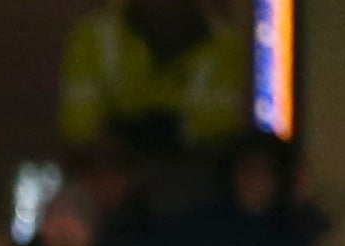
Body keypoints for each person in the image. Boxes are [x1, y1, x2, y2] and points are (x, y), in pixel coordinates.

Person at [57, 1, 248, 160]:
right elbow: (79, 130)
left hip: (196, 177)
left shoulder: (224, 44)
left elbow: (224, 127)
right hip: (113, 175)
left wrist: (154, 129)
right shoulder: (94, 37)